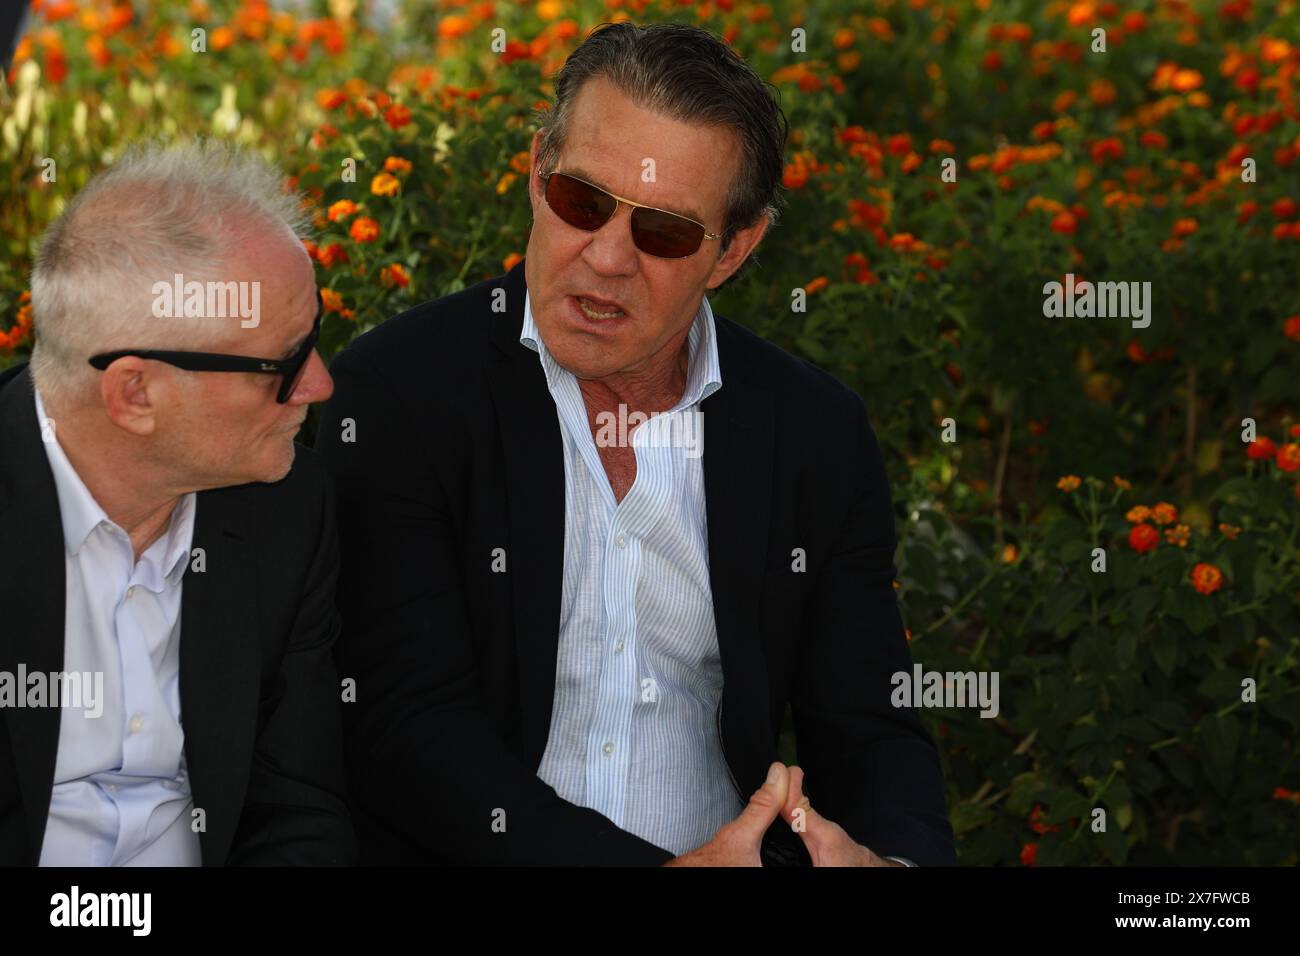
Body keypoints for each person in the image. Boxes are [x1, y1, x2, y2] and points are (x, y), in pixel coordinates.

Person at [317, 22, 955, 866]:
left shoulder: (814, 432)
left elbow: (870, 727)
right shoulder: (399, 391)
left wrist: (890, 863)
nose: (608, 256)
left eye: (663, 232)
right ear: (538, 172)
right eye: (582, 202)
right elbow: (407, 728)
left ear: (734, 249)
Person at [0, 140, 356, 866]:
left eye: (313, 340)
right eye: (280, 366)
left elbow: (298, 807)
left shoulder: (285, 508)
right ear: (135, 393)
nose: (319, 385)